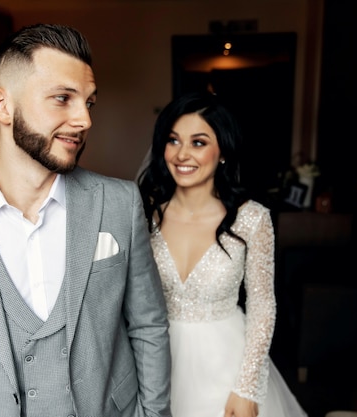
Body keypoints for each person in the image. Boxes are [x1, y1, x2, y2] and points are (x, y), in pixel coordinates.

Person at [0, 23, 171, 417]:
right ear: (2, 106)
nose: (85, 119)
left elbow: (148, 326)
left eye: (89, 102)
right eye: (63, 98)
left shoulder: (118, 202)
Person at [138, 91, 307, 417]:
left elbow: (262, 305)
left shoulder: (252, 219)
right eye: (173, 140)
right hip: (155, 358)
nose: (182, 154)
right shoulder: (145, 213)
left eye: (198, 142)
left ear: (223, 152)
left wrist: (247, 387)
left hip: (225, 361)